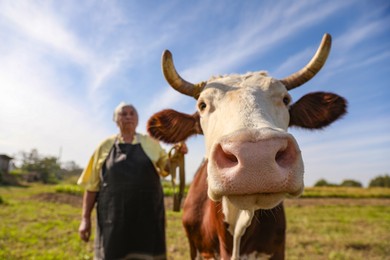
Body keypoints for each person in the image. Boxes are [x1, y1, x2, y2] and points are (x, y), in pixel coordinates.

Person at [77, 102, 187, 260]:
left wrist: (176, 154)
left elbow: (166, 168)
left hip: (147, 218)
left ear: (137, 119)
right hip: (113, 219)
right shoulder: (104, 146)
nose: (128, 116)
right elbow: (91, 187)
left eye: (132, 113)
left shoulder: (151, 143)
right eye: (123, 113)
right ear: (116, 120)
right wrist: (85, 219)